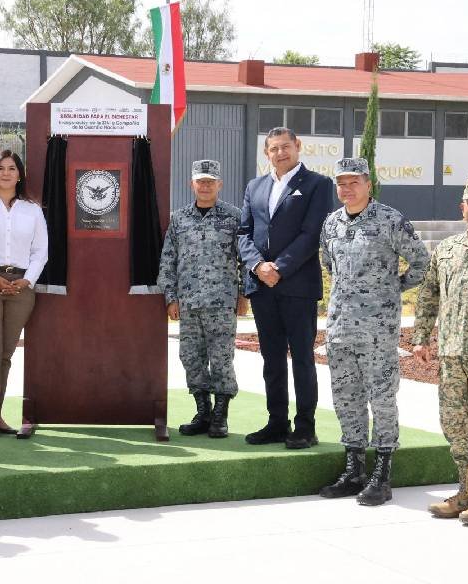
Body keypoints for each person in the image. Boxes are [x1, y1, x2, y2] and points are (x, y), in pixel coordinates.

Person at [318, 158, 429, 506]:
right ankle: (354, 470)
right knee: (346, 398)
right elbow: (329, 264)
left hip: (377, 331)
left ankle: (382, 473)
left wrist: (392, 288)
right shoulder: (331, 223)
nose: (347, 188)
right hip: (340, 327)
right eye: (341, 183)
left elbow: (421, 261)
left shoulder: (390, 220)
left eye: (354, 182)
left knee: (381, 399)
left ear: (369, 184)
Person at [239, 127, 333, 449]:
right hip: (262, 286)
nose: (280, 153)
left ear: (298, 146)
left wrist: (279, 267)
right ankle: (277, 422)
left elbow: (312, 233)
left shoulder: (317, 184)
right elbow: (244, 233)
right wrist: (258, 266)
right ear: (266, 153)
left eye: (285, 147)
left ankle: (305, 426)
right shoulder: (255, 186)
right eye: (274, 149)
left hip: (297, 286)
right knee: (272, 358)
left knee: (302, 358)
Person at [413, 174, 468, 526]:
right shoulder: (447, 249)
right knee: (456, 423)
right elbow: (429, 294)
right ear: (462, 208)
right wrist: (420, 336)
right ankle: (467, 490)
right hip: (451, 355)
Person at [158, 160, 246, 438]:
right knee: (190, 358)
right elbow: (168, 259)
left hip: (222, 302)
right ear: (192, 184)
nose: (205, 186)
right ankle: (203, 412)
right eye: (200, 181)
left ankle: (220, 416)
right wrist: (170, 297)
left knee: (221, 360)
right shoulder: (179, 219)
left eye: (210, 181)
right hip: (189, 303)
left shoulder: (234, 217)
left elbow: (245, 258)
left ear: (220, 184)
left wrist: (244, 294)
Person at [0, 150, 47, 438]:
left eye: (12, 168)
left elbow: (41, 250)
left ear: (19, 174)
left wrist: (27, 280)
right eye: (0, 168)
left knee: (5, 353)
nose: (6, 173)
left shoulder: (32, 209)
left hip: (20, 287)